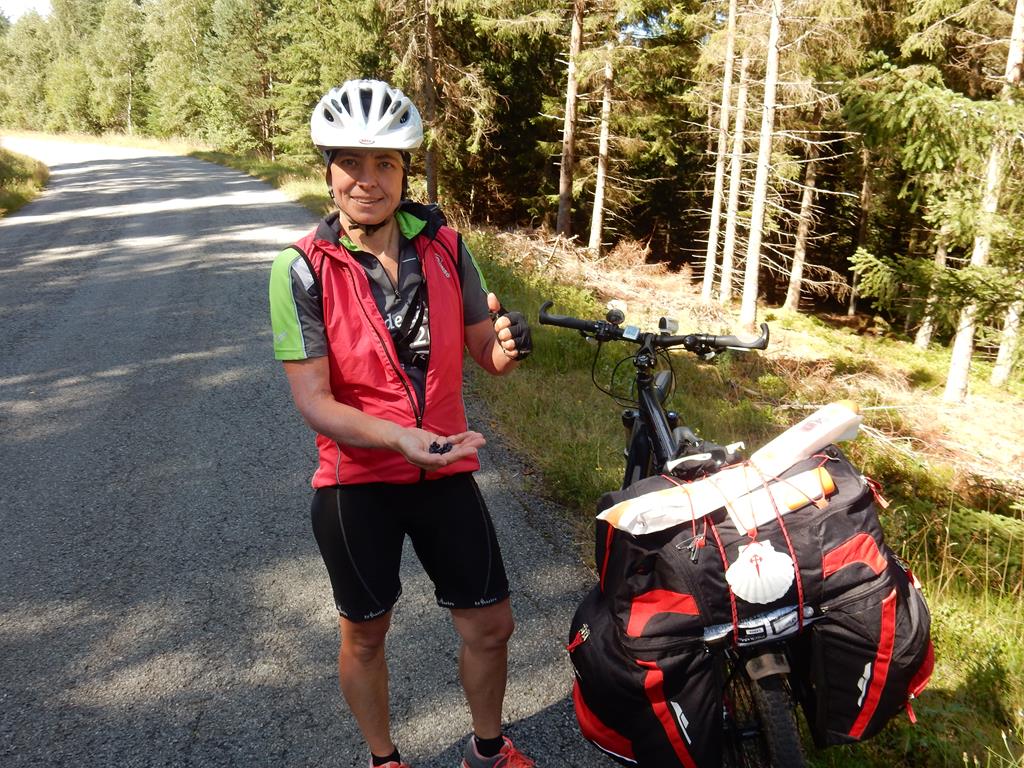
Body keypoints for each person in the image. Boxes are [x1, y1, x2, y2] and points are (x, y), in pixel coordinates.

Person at [268, 79, 535, 768]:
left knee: (492, 625)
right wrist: (399, 438)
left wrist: (507, 348)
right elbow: (314, 402)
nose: (368, 179)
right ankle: (384, 759)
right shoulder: (300, 270)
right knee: (366, 636)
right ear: (328, 171)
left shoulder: (446, 246)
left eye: (384, 163)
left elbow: (487, 354)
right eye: (351, 162)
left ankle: (488, 749)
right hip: (356, 482)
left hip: (444, 467)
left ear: (405, 171)